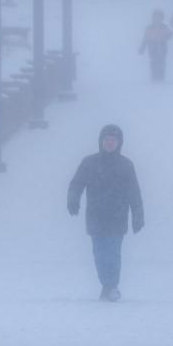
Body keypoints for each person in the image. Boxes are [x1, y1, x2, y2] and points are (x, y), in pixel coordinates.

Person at [67, 125, 144, 302]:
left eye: (113, 141)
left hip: (118, 217)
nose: (110, 143)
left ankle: (112, 286)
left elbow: (134, 192)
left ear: (119, 143)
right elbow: (77, 183)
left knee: (113, 253)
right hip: (96, 217)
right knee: (100, 254)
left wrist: (138, 215)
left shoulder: (126, 165)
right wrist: (73, 199)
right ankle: (106, 285)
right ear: (101, 142)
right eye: (107, 140)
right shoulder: (89, 163)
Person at [139, 9, 173, 82]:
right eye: (155, 17)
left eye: (159, 17)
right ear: (153, 18)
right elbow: (145, 38)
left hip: (162, 45)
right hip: (152, 46)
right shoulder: (149, 27)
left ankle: (161, 76)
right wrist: (142, 47)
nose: (157, 19)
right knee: (153, 61)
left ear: (162, 18)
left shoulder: (164, 26)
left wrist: (168, 36)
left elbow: (169, 34)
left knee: (162, 61)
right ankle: (154, 76)